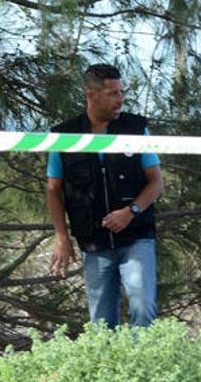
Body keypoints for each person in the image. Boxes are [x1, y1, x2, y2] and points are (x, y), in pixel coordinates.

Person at [46, 63, 164, 328]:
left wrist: (130, 211)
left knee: (144, 311)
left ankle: (145, 367)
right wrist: (61, 236)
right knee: (100, 326)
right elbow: (53, 191)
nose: (120, 99)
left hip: (136, 237)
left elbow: (156, 183)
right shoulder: (64, 134)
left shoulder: (136, 128)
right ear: (91, 94)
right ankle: (111, 369)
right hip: (94, 242)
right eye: (112, 93)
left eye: (121, 92)